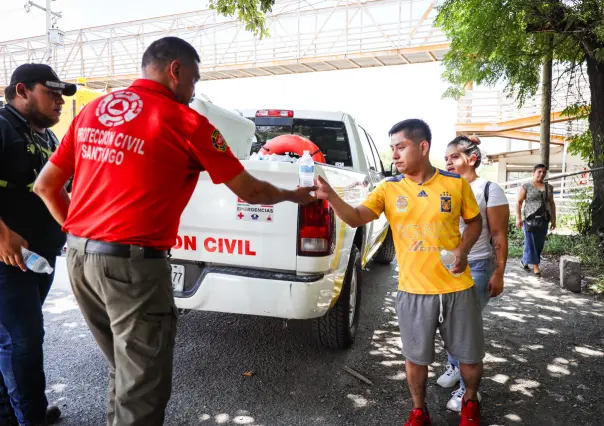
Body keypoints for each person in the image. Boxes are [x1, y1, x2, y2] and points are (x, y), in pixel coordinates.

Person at [32, 37, 315, 426]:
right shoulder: (184, 120)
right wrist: (295, 196)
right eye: (194, 80)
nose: (194, 91)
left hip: (81, 259)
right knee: (144, 386)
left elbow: (46, 186)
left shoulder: (94, 110)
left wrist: (83, 236)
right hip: (133, 269)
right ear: (175, 71)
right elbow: (249, 190)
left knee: (124, 369)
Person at [315, 119, 484, 426]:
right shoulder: (389, 189)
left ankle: (470, 401)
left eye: (401, 147)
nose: (394, 155)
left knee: (470, 357)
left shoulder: (455, 184)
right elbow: (355, 218)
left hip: (457, 286)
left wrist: (463, 249)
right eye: (392, 148)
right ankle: (419, 411)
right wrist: (331, 197)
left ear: (423, 147)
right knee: (415, 359)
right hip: (413, 291)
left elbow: (475, 222)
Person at [0, 64, 74, 426]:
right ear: (22, 91)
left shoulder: (47, 138)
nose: (60, 102)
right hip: (7, 259)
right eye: (52, 93)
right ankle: (30, 418)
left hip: (39, 256)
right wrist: (2, 235)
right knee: (23, 341)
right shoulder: (1, 126)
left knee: (11, 340)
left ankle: (11, 414)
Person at [438, 135, 509, 411]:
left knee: (463, 327)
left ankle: (468, 391)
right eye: (446, 159)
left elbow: (499, 235)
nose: (449, 163)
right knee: (447, 322)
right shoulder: (446, 188)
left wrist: (500, 272)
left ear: (472, 158)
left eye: (454, 157)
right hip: (446, 266)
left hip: (478, 265)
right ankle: (455, 368)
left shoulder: (489, 189)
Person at [515, 164, 556, 276]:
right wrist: (518, 218)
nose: (541, 174)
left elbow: (552, 204)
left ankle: (524, 261)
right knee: (531, 242)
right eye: (539, 171)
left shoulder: (549, 187)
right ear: (533, 172)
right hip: (529, 219)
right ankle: (536, 266)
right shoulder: (526, 186)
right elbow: (519, 202)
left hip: (544, 219)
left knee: (539, 243)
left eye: (544, 172)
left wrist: (553, 220)